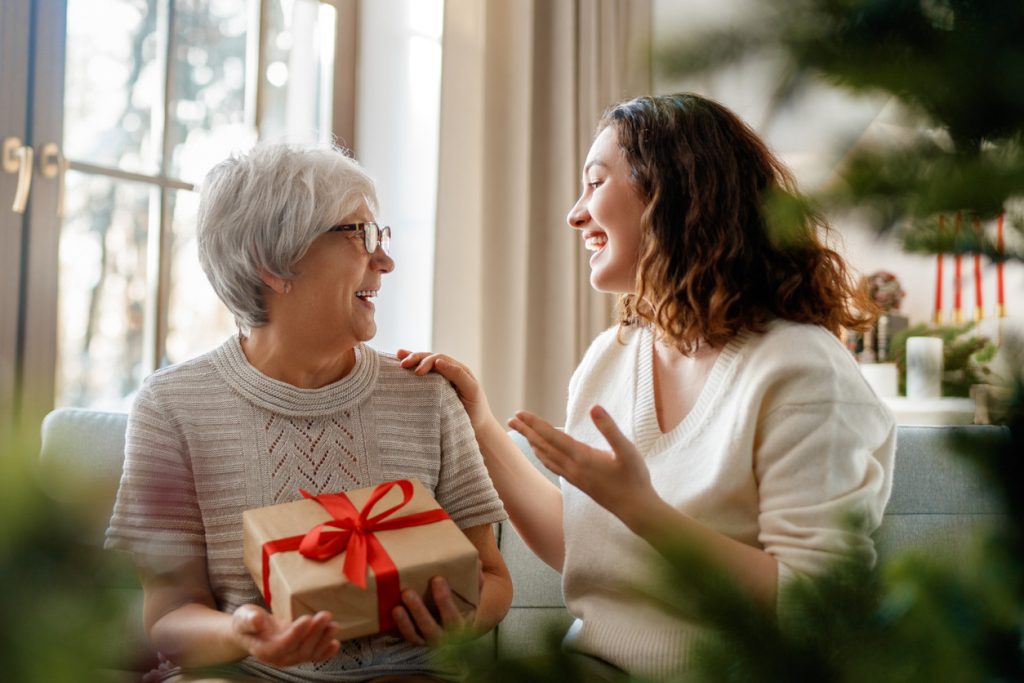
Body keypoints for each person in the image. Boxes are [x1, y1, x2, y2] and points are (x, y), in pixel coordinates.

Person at [397, 93, 896, 680]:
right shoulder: (610, 360)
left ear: (673, 194)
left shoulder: (800, 369)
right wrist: (477, 422)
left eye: (596, 183)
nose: (575, 215)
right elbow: (585, 548)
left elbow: (818, 609)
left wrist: (643, 509)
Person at [105, 143, 512, 683]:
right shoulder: (172, 406)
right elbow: (169, 618)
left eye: (380, 237)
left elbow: (492, 578)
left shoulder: (428, 395)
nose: (385, 261)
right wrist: (242, 632)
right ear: (272, 262)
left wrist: (459, 620)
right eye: (361, 236)